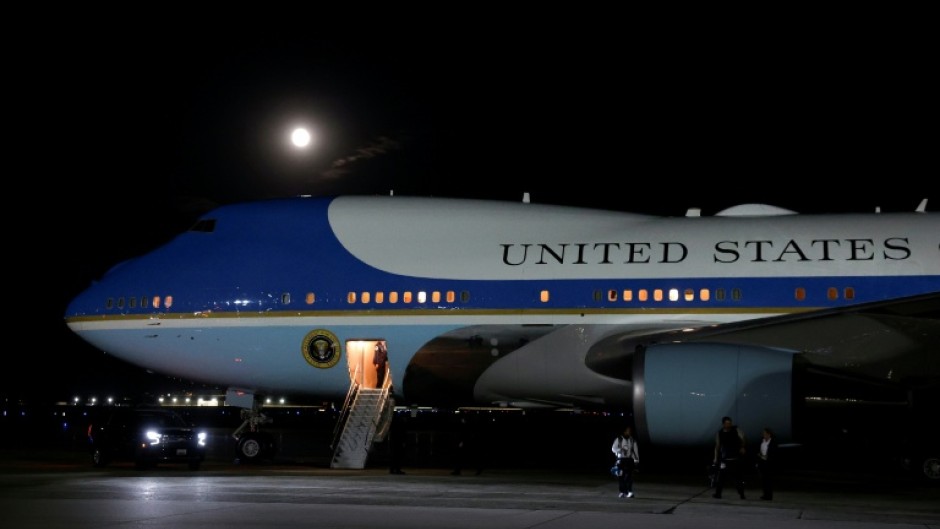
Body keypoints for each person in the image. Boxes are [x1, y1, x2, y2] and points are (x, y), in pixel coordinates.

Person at [712, 416, 747, 499]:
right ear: (723, 424)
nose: (729, 425)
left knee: (737, 478)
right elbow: (717, 446)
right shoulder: (720, 433)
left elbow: (743, 438)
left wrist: (742, 447)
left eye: (730, 423)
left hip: (735, 459)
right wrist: (715, 458)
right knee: (721, 478)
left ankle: (741, 494)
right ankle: (718, 494)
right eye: (727, 423)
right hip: (725, 459)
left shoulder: (736, 430)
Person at [611, 425, 640, 498]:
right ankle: (622, 492)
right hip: (621, 460)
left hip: (629, 460)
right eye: (627, 430)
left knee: (629, 477)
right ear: (624, 431)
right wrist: (620, 450)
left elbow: (635, 451)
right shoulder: (618, 439)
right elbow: (613, 449)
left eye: (630, 430)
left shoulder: (632, 440)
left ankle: (629, 491)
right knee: (621, 476)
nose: (629, 432)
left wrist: (636, 461)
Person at [756, 427, 778, 500]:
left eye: (765, 434)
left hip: (769, 463)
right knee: (763, 480)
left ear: (769, 434)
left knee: (769, 480)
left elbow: (773, 453)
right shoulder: (762, 442)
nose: (764, 435)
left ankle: (769, 495)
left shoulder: (772, 442)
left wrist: (765, 456)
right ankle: (765, 494)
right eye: (763, 434)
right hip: (762, 462)